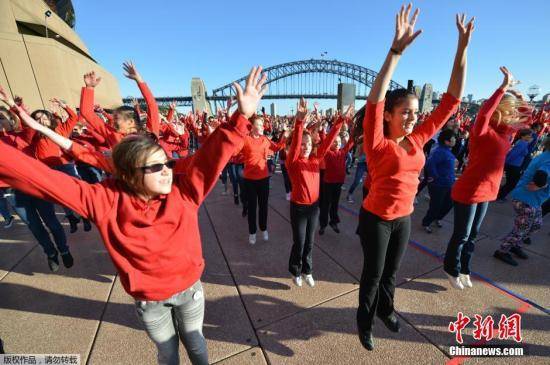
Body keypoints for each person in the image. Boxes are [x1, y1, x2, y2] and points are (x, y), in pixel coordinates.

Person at [0, 66, 267, 365]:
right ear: (128, 173)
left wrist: (240, 118)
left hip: (189, 290)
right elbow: (37, 176)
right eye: (156, 167)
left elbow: (209, 160)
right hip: (150, 302)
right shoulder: (103, 199)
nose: (167, 170)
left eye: (166, 163)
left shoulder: (184, 191)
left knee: (195, 342)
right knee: (167, 353)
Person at [356, 5, 470, 350]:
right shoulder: (376, 143)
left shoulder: (418, 139)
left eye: (415, 113)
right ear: (388, 115)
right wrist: (394, 53)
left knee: (392, 273)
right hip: (376, 218)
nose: (412, 118)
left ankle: (386, 311)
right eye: (405, 112)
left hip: (403, 217)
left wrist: (462, 48)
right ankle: (364, 323)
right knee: (373, 276)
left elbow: (452, 101)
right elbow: (375, 99)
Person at [443, 67, 526, 290]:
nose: (512, 115)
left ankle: (465, 269)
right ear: (500, 110)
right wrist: (502, 88)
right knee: (462, 235)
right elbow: (484, 113)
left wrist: (519, 97)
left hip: (488, 191)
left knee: (473, 236)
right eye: (509, 111)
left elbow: (526, 119)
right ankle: (451, 268)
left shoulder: (506, 134)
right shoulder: (483, 131)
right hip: (470, 190)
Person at [286, 98, 344, 287]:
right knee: (299, 242)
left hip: (314, 208)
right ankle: (295, 270)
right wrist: (300, 122)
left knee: (310, 243)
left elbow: (326, 143)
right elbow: (295, 145)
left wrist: (339, 122)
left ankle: (307, 270)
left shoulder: (315, 159)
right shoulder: (293, 162)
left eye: (308, 144)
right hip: (299, 208)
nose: (306, 146)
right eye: (303, 144)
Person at [494, 137, 550, 266]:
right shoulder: (548, 158)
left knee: (536, 224)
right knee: (523, 226)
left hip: (535, 200)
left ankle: (515, 244)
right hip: (525, 198)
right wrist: (540, 184)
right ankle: (502, 250)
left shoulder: (546, 155)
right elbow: (541, 175)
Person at [240, 115, 287, 244]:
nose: (261, 127)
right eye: (259, 125)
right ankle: (252, 232)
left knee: (263, 206)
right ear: (252, 126)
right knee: (252, 207)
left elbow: (277, 147)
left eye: (262, 125)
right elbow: (234, 150)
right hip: (249, 179)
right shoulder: (246, 139)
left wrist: (284, 134)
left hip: (263, 178)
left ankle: (263, 228)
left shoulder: (265, 139)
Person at [320, 106, 354, 234]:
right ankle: (323, 224)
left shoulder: (343, 152)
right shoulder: (327, 153)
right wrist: (323, 131)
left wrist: (351, 123)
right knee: (325, 205)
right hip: (328, 182)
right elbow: (325, 141)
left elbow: (351, 140)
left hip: (338, 183)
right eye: (335, 142)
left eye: (339, 142)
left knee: (335, 205)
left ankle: (333, 222)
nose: (338, 143)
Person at [421, 129, 457, 232]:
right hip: (438, 185)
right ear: (446, 141)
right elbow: (429, 164)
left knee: (449, 204)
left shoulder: (447, 151)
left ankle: (437, 218)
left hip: (448, 184)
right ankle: (426, 223)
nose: (455, 140)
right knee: (436, 205)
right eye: (453, 139)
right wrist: (436, 177)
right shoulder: (439, 151)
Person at [497, 128, 533, 201]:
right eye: (528, 135)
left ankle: (499, 195)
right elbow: (513, 154)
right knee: (512, 183)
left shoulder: (522, 143)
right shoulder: (523, 143)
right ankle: (499, 196)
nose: (530, 137)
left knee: (511, 183)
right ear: (523, 136)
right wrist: (506, 163)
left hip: (514, 165)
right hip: (513, 166)